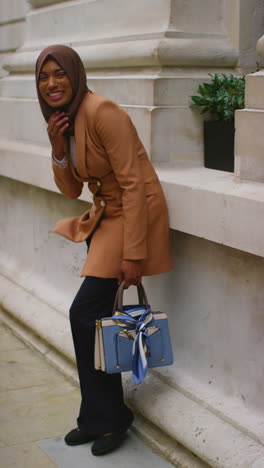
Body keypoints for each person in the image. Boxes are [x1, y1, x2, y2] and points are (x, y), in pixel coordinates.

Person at [35, 44, 173, 456]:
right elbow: (71, 190)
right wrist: (58, 148)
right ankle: (98, 418)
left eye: (60, 73)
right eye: (43, 76)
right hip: (104, 216)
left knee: (85, 312)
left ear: (75, 75)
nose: (51, 83)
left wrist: (134, 253)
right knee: (93, 320)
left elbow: (135, 183)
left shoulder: (102, 111)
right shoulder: (67, 120)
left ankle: (112, 418)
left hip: (130, 215)